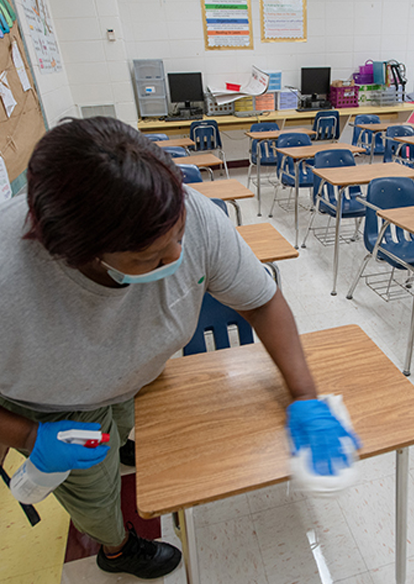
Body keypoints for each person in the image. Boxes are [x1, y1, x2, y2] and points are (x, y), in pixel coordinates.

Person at [0, 117, 359, 579]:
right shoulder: (9, 272)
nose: (176, 257)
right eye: (148, 257)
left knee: (121, 429)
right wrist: (29, 437)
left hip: (134, 377)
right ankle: (116, 548)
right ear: (80, 252)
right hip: (50, 404)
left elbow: (262, 301)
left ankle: (122, 445)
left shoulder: (188, 214)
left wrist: (305, 396)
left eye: (179, 236)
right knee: (94, 492)